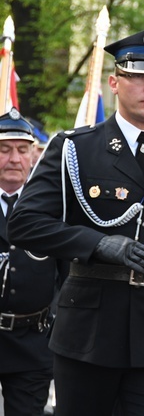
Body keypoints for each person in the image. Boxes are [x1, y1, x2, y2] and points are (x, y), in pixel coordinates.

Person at [8, 29, 144, 416]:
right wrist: (97, 244)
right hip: (90, 328)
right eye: (138, 76)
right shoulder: (76, 148)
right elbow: (25, 223)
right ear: (115, 83)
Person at [0, 109, 64, 416]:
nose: (14, 159)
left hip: (33, 340)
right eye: (4, 150)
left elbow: (67, 273)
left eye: (22, 150)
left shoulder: (52, 205)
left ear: (33, 154)